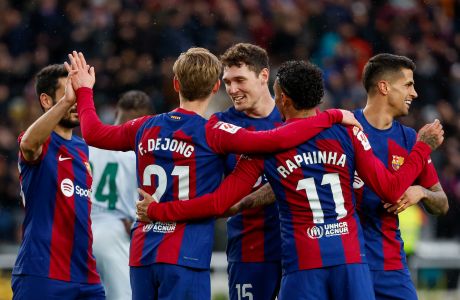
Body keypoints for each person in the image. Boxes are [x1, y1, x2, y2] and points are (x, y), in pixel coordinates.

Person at [138, 60, 444, 300]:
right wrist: (422, 148)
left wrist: (160, 211)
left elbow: (221, 201)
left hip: (303, 263)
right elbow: (390, 188)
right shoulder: (349, 130)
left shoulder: (268, 144)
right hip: (350, 261)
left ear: (282, 98)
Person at [66, 50, 359, 300]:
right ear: (216, 86)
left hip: (143, 252)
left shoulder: (145, 125)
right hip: (186, 256)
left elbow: (93, 133)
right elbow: (274, 142)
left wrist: (84, 91)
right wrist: (331, 115)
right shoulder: (214, 131)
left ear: (175, 83)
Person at [353, 53, 449, 300]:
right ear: (384, 87)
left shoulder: (409, 139)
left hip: (391, 267)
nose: (415, 93)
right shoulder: (345, 128)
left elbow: (442, 203)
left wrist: (421, 192)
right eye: (408, 84)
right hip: (349, 263)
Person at [12, 64, 104, 299]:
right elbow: (28, 145)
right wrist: (65, 101)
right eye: (66, 92)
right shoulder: (38, 141)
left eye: (76, 93)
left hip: (86, 275)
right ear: (45, 100)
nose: (74, 100)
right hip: (43, 272)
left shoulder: (84, 148)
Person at [216, 43, 282, 300]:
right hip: (248, 252)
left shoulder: (293, 119)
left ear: (264, 75)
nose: (232, 90)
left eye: (240, 80)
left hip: (298, 252)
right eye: (227, 82)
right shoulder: (220, 126)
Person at [90, 90, 153, 300]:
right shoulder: (141, 152)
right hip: (117, 230)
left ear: (117, 112)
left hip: (80, 229)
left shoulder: (89, 145)